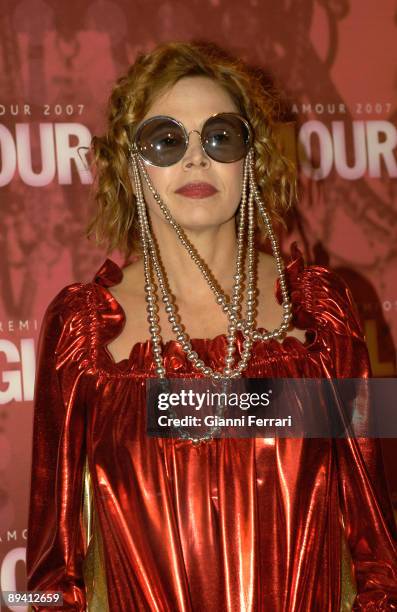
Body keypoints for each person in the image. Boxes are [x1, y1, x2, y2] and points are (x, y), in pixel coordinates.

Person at [26, 41, 397, 611]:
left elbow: (379, 544)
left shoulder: (322, 314)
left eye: (220, 136)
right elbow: (54, 569)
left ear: (252, 157)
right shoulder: (84, 331)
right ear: (129, 165)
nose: (196, 160)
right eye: (166, 141)